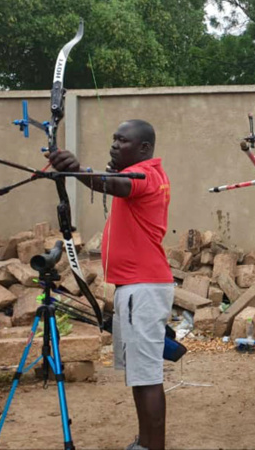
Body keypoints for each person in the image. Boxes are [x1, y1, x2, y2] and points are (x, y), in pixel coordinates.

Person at [47, 119, 173, 450]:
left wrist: (77, 171)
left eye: (123, 140)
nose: (115, 145)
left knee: (147, 376)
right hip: (135, 288)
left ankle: (152, 446)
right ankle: (145, 442)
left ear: (144, 148)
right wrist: (87, 173)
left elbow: (114, 185)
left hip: (142, 288)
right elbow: (113, 181)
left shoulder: (145, 175)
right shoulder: (138, 174)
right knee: (139, 374)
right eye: (114, 139)